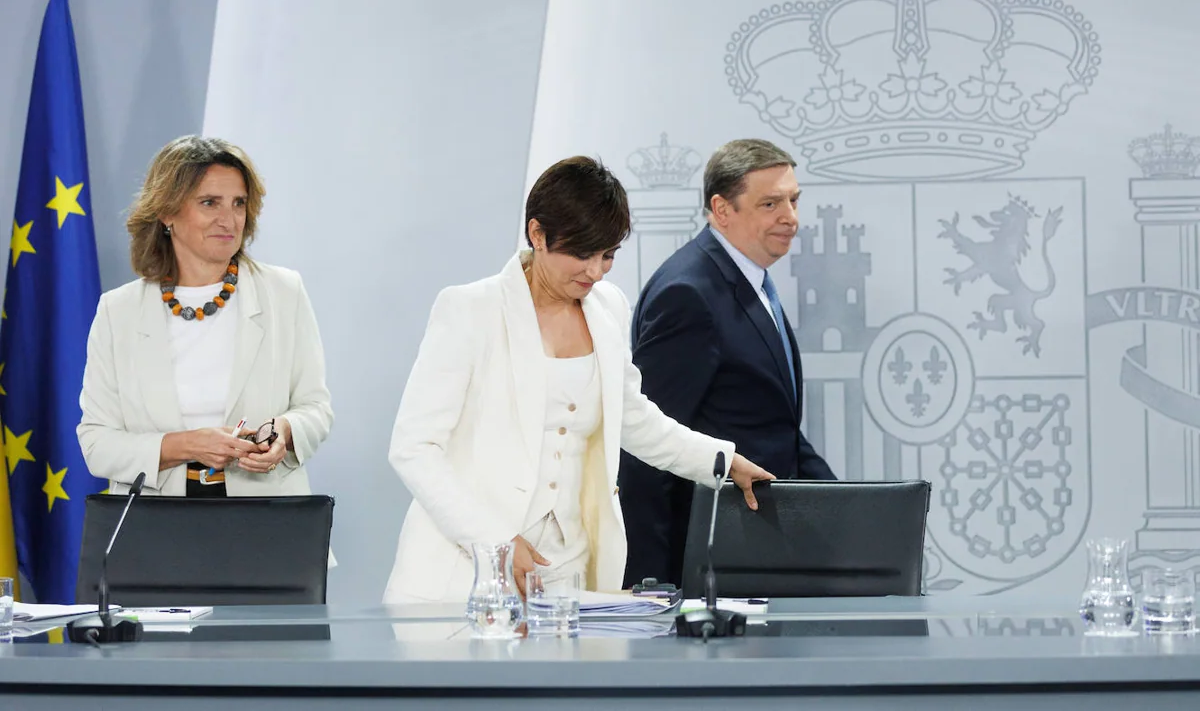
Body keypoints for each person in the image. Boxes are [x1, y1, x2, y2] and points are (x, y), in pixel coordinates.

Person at [383, 156, 774, 603]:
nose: (595, 271)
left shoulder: (608, 307)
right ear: (537, 235)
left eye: (607, 255)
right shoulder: (470, 309)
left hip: (566, 568)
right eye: (582, 254)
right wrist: (494, 543)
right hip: (465, 568)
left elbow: (634, 418)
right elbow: (414, 449)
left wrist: (722, 461)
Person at [619, 138, 837, 588]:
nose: (790, 218)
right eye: (770, 203)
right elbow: (645, 447)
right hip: (708, 562)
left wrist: (850, 515)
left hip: (758, 553)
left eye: (794, 201)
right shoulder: (689, 293)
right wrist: (654, 584)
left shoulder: (749, 279)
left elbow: (775, 428)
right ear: (722, 209)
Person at [77, 135, 333, 499]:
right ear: (167, 212)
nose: (228, 220)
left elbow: (316, 409)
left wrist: (285, 431)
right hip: (156, 529)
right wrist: (188, 446)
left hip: (266, 524)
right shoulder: (118, 311)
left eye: (239, 203)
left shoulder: (284, 292)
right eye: (209, 203)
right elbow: (96, 443)